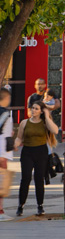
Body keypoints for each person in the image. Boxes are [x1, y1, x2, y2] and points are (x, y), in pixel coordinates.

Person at [14, 100, 58, 216]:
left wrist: (47, 116)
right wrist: (15, 144)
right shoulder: (24, 123)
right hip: (27, 152)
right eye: (32, 108)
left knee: (39, 179)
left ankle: (40, 205)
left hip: (41, 152)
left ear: (41, 111)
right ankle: (21, 205)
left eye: (36, 109)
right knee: (26, 178)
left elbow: (55, 130)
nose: (33, 110)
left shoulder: (45, 123)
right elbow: (19, 138)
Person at [0, 88, 14, 220]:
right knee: (1, 183)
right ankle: (0, 211)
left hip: (3, 151)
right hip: (1, 152)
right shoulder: (4, 113)